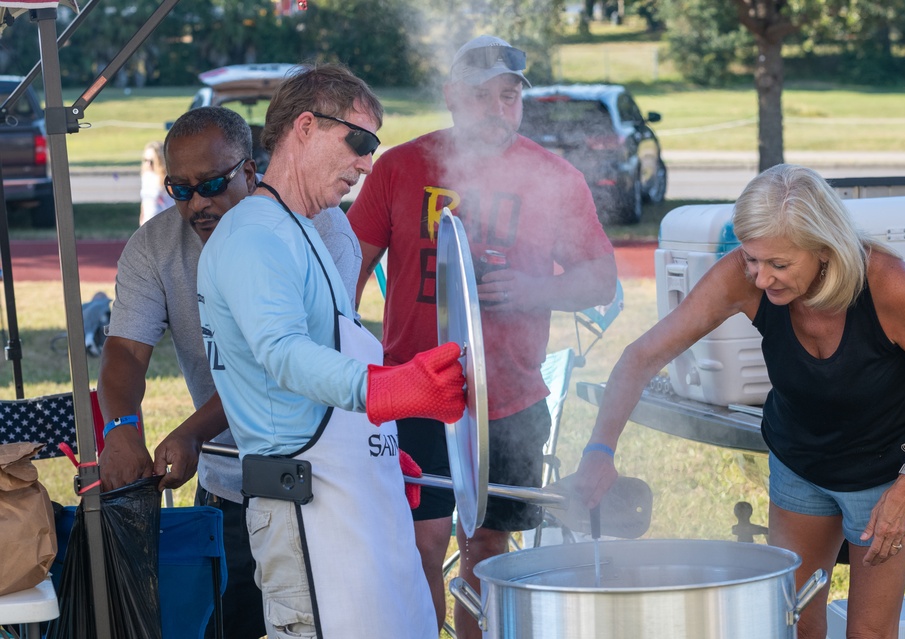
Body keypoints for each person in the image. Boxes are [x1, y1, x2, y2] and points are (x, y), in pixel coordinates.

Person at [576, 163, 905, 639]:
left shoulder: (889, 285)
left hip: (886, 472)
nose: (761, 279)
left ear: (825, 250)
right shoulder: (743, 278)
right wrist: (599, 451)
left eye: (779, 265)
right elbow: (642, 357)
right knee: (794, 619)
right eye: (751, 259)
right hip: (799, 465)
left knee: (869, 632)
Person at [347, 34, 617, 637]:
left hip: (510, 400)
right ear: (451, 98)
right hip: (413, 394)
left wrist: (533, 290)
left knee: (489, 549)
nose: (499, 111)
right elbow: (349, 270)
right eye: (483, 97)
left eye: (510, 97)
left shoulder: (555, 178)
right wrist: (345, 356)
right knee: (420, 543)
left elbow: (601, 278)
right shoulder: (400, 166)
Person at [197, 62, 466, 639]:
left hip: (346, 500)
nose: (368, 162)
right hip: (306, 512)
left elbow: (325, 355)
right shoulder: (253, 235)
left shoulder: (306, 230)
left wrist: (378, 452)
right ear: (305, 127)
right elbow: (284, 355)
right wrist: (393, 388)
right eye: (360, 141)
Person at [97, 104, 364, 639]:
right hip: (227, 487)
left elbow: (285, 363)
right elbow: (124, 352)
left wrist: (193, 432)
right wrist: (122, 429)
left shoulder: (322, 231)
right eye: (180, 189)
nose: (198, 203)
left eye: (213, 183)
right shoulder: (153, 247)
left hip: (316, 481)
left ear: (249, 170)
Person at [139, 140, 170, 225]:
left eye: (152, 161)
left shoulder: (168, 179)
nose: (148, 164)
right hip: (147, 224)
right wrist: (142, 217)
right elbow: (145, 201)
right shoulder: (146, 176)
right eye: (146, 160)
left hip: (163, 224)